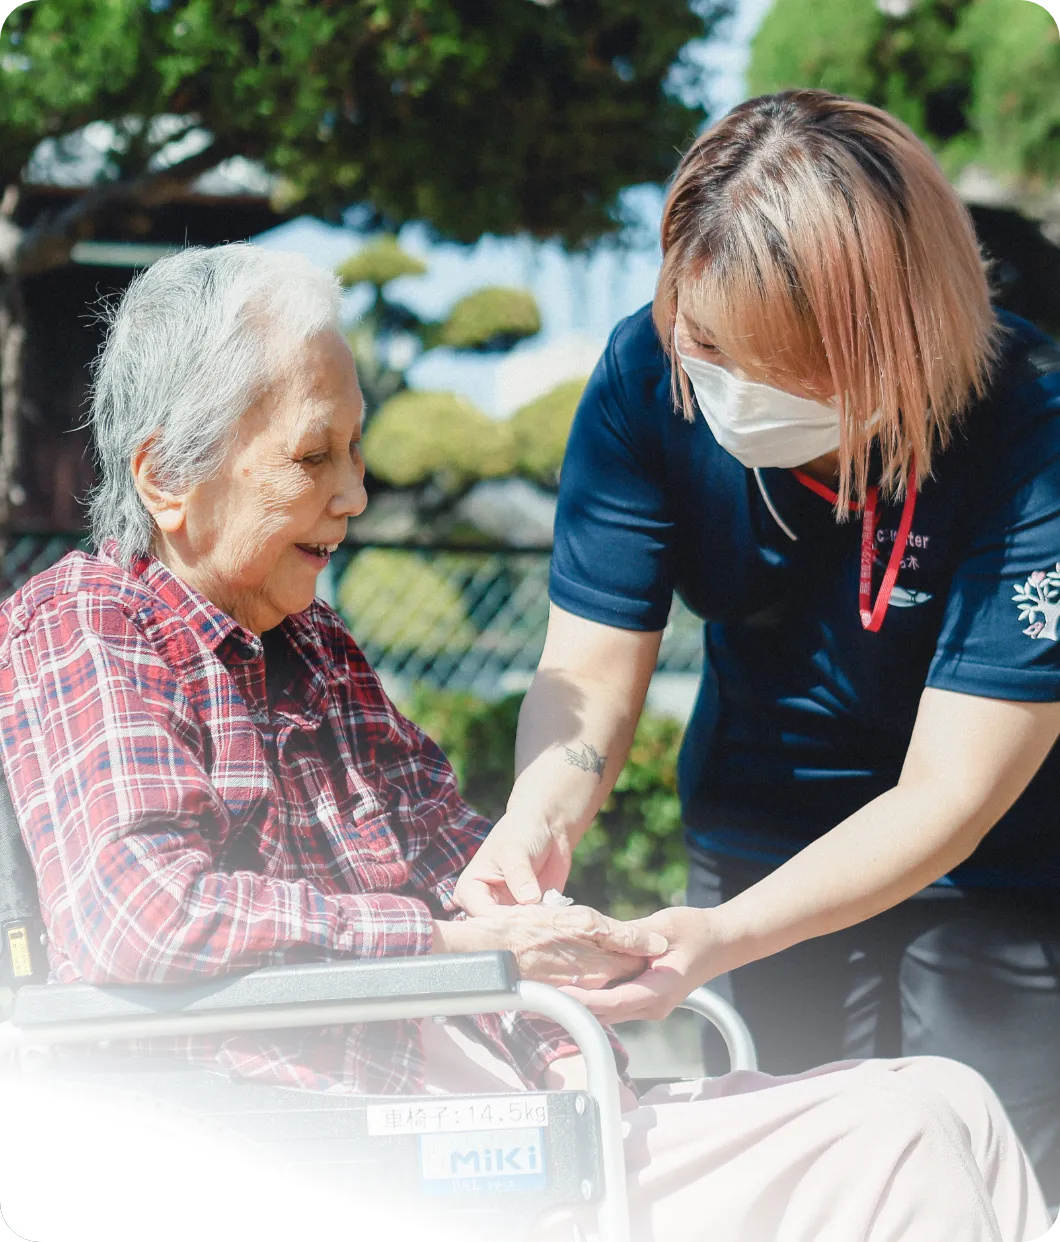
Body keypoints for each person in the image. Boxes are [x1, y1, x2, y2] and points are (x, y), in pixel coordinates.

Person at [0, 243, 1049, 1242]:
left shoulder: (318, 650)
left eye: (357, 452)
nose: (355, 495)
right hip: (336, 1153)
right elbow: (138, 913)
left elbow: (472, 883)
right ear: (166, 478)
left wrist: (567, 1013)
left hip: (503, 1132)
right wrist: (457, 952)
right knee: (906, 1139)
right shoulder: (92, 621)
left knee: (950, 1102)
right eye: (314, 456)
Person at [454, 89, 1060, 1206]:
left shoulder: (1029, 428)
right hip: (758, 829)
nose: (723, 382)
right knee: (798, 1181)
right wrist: (539, 815)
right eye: (702, 341)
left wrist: (720, 937)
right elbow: (590, 673)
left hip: (997, 872)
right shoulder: (646, 378)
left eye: (766, 361)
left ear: (886, 343)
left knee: (988, 1172)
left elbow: (952, 790)